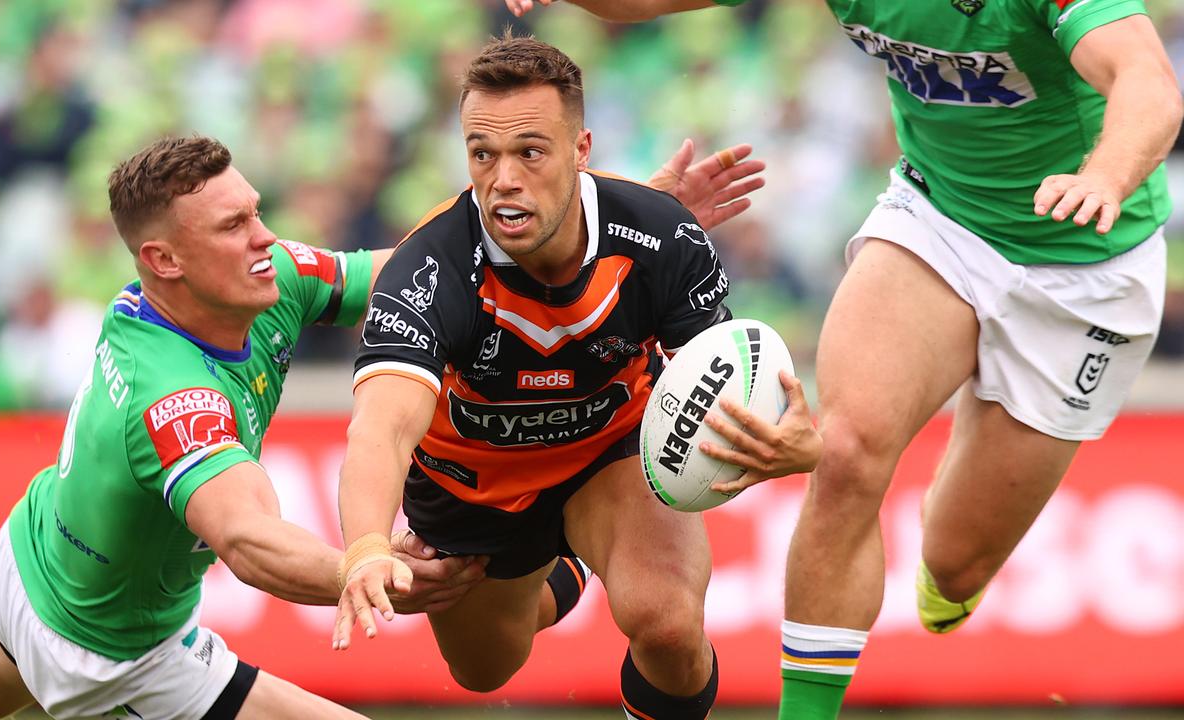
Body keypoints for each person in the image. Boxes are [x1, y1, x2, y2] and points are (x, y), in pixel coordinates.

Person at [0, 121, 768, 718]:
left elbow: (427, 272)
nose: (262, 237)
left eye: (255, 211)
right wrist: (365, 569)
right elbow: (249, 544)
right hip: (108, 650)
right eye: (234, 225)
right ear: (162, 259)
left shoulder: (260, 280)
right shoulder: (176, 397)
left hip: (31, 559)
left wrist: (598, 229)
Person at [506, 0, 1183, 718]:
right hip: (941, 220)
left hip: (1085, 266)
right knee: (848, 452)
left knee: (958, 562)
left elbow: (1148, 82)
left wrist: (1105, 177)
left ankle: (958, 548)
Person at [332, 34, 823, 720]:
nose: (503, 178)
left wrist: (793, 443)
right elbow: (379, 431)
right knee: (481, 672)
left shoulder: (662, 236)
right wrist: (364, 548)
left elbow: (725, 381)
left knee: (669, 625)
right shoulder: (426, 270)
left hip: (609, 453)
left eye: (530, 151)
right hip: (473, 487)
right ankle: (566, 565)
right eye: (482, 153)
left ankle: (594, 544)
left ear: (581, 150)